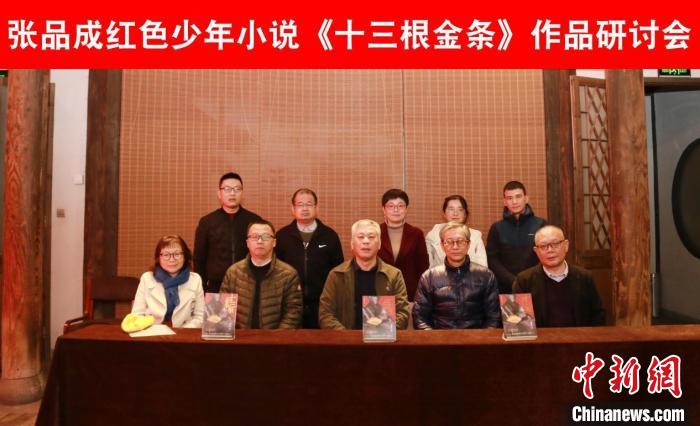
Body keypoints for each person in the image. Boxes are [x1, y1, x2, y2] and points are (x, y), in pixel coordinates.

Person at [319, 219, 409, 329]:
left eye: (371, 237)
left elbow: (403, 313)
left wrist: (381, 332)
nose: (366, 241)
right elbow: (325, 314)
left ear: (379, 244)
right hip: (346, 338)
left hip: (383, 338)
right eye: (361, 237)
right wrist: (346, 336)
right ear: (352, 244)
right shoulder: (336, 275)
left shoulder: (394, 275)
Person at [275, 188, 344, 328]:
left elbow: (338, 272)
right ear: (293, 209)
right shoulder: (282, 236)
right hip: (289, 304)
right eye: (300, 204)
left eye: (309, 204)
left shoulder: (329, 236)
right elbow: (275, 271)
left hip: (322, 305)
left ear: (316, 208)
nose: (305, 208)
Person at [513, 225, 605, 327]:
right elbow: (519, 323)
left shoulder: (584, 277)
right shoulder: (524, 280)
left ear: (566, 245)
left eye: (555, 244)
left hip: (579, 336)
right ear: (536, 251)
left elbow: (598, 315)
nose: (550, 250)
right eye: (543, 246)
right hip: (541, 337)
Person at [413, 222, 500, 329]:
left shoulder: (486, 276)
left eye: (460, 241)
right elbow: (419, 317)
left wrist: (481, 338)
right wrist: (434, 338)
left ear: (468, 244)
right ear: (442, 245)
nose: (455, 247)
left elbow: (494, 317)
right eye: (449, 242)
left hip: (476, 337)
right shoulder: (429, 277)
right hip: (440, 337)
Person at [220, 220, 302, 329]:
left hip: (275, 337)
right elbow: (223, 310)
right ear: (247, 243)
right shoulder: (233, 272)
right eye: (254, 237)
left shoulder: (288, 274)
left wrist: (277, 336)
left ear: (274, 242)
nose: (260, 241)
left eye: (266, 237)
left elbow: (293, 312)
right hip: (240, 337)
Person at [194, 172, 262, 293]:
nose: (232, 193)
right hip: (216, 287)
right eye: (227, 189)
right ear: (219, 194)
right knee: (216, 308)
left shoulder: (254, 221)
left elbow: (262, 253)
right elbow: (199, 258)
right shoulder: (207, 222)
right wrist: (202, 288)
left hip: (248, 284)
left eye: (237, 189)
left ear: (242, 193)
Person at [132, 235, 204, 328]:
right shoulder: (147, 278)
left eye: (177, 254)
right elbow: (137, 315)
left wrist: (183, 331)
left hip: (184, 332)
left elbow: (200, 317)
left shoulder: (195, 279)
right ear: (158, 257)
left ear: (185, 256)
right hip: (152, 332)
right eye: (166, 255)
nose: (172, 259)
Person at [486, 181, 546, 293]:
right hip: (505, 287)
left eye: (518, 197)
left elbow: (546, 254)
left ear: (526, 199)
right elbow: (492, 260)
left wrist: (528, 279)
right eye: (510, 198)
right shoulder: (497, 228)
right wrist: (513, 281)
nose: (514, 202)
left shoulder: (540, 224)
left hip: (535, 284)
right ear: (505, 202)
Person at [377, 189, 429, 302]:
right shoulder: (375, 232)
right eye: (391, 206)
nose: (396, 210)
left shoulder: (416, 234)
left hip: (409, 294)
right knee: (378, 315)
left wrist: (420, 296)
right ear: (384, 209)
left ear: (406, 209)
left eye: (400, 206)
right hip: (379, 293)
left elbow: (423, 268)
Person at [425, 195, 487, 268]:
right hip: (440, 275)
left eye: (460, 210)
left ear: (465, 214)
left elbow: (483, 266)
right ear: (444, 213)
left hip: (471, 274)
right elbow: (428, 265)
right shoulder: (433, 234)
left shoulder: (475, 235)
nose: (455, 213)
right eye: (451, 209)